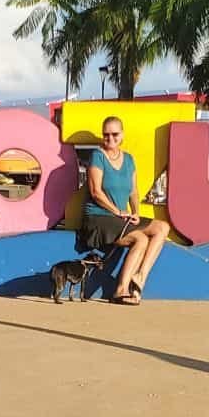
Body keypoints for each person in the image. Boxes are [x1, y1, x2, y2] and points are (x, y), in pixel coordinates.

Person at [80, 116, 171, 305]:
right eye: (106, 135)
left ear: (122, 135)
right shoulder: (97, 156)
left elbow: (134, 191)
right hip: (99, 218)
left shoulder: (129, 160)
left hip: (121, 218)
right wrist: (118, 211)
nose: (110, 138)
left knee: (162, 228)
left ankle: (140, 276)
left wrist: (135, 211)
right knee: (141, 238)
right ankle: (121, 290)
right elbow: (96, 192)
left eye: (115, 134)